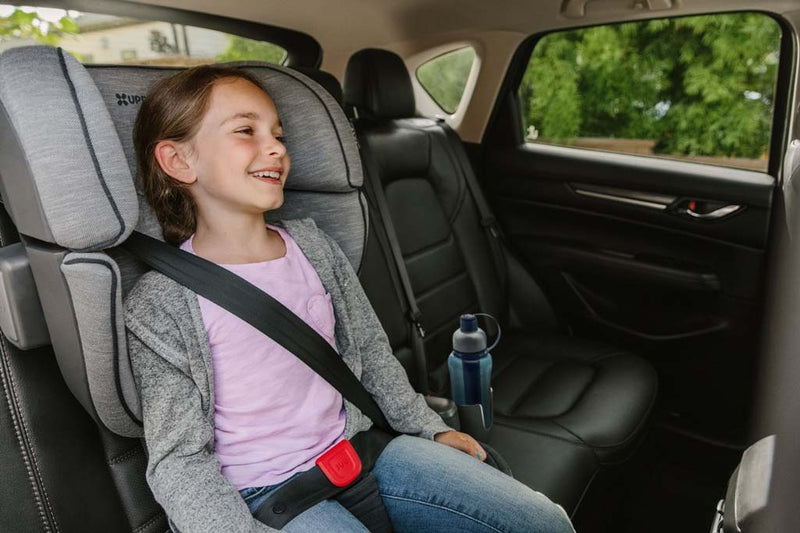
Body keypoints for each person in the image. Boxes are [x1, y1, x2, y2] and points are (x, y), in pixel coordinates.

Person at [124, 64, 575, 533]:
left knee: (544, 521)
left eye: (278, 133)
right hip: (268, 496)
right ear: (178, 161)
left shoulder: (314, 248)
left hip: (365, 452)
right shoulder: (162, 302)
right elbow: (179, 458)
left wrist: (428, 426)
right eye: (245, 131)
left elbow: (373, 358)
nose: (276, 147)